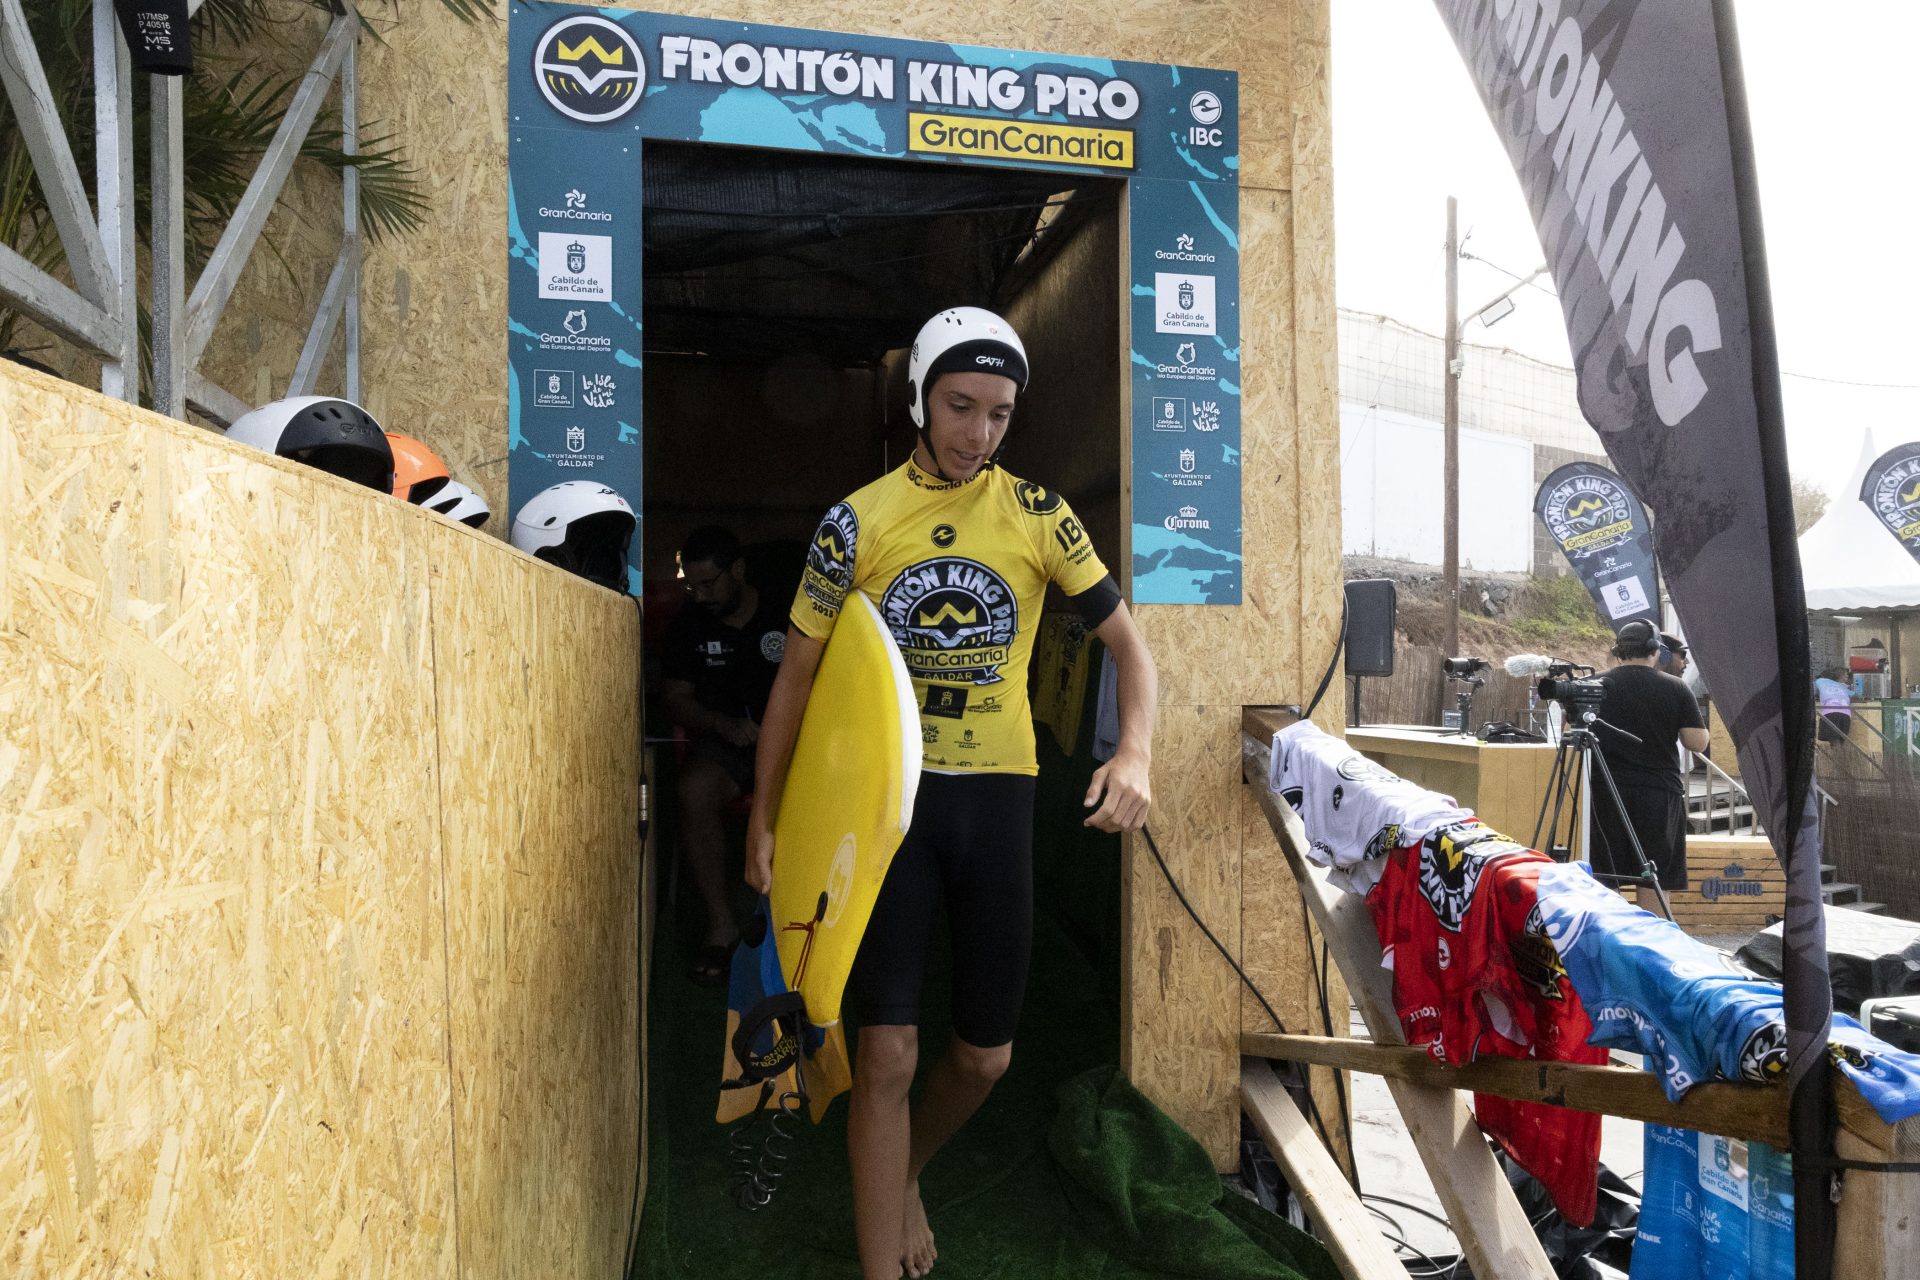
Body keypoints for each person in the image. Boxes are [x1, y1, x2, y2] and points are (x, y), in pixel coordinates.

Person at [747, 307, 1157, 1280]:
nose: (978, 431)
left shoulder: (1039, 515)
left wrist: (1136, 751)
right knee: (886, 1053)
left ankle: (907, 1172)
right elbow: (797, 680)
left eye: (999, 413)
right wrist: (763, 816)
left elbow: (1129, 648)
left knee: (984, 1057)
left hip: (998, 799)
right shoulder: (857, 521)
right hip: (887, 803)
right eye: (961, 406)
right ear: (922, 401)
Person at [661, 525, 788, 982]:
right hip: (727, 744)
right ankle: (721, 926)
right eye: (691, 586)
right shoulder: (688, 624)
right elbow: (675, 698)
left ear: (737, 570)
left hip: (792, 746)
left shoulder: (785, 613)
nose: (700, 595)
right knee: (693, 791)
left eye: (708, 584)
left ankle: (799, 930)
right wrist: (723, 725)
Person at [1590, 619, 1709, 906]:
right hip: (1658, 796)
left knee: (1606, 877)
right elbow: (1696, 742)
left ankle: (1608, 933)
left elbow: (1572, 732)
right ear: (1656, 651)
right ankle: (1652, 935)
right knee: (1655, 878)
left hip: (1605, 794)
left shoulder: (1594, 686)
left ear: (1618, 650)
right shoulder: (1676, 688)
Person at [1816, 665, 1854, 744]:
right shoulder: (1843, 687)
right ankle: (1840, 752)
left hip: (1830, 712)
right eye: (1846, 674)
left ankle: (1837, 752)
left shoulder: (1820, 681)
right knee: (1840, 742)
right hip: (1846, 715)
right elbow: (1856, 694)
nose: (1847, 676)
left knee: (1834, 742)